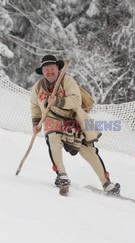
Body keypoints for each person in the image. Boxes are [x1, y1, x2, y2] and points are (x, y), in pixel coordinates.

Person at [31, 55, 120, 194]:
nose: (49, 72)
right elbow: (35, 107)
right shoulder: (37, 88)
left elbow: (76, 101)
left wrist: (58, 101)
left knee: (88, 150)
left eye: (52, 68)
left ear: (57, 69)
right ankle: (62, 175)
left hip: (74, 118)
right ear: (42, 72)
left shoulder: (67, 80)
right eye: (46, 69)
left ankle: (106, 183)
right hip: (51, 119)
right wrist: (35, 123)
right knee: (53, 140)